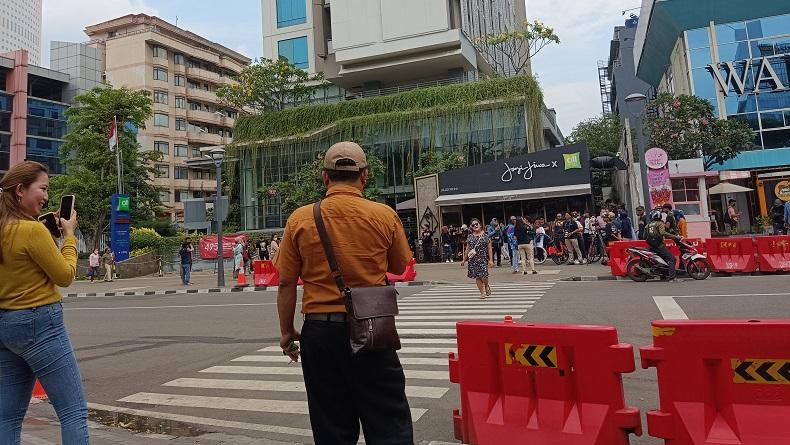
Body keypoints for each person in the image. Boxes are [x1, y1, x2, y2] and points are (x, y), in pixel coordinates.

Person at [275, 141, 414, 444]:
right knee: (389, 421)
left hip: (319, 334)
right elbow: (400, 265)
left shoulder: (300, 218)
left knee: (331, 426)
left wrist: (287, 332)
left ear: (325, 177)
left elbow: (286, 282)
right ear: (364, 175)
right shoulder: (384, 215)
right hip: (372, 329)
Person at [0, 160, 89, 444]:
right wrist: (70, 236)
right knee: (73, 412)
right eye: (43, 188)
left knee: (7, 417)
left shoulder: (8, 229)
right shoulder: (32, 231)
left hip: (6, 325)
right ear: (19, 191)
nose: (47, 196)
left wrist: (46, 233)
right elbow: (64, 275)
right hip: (41, 323)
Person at [645, 210, 682, 281]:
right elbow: (663, 233)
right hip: (660, 246)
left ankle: (663, 276)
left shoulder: (648, 225)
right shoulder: (660, 223)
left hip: (652, 246)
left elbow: (644, 236)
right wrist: (675, 236)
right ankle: (672, 278)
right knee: (672, 259)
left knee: (663, 260)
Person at [463, 218, 494, 299]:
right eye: (473, 225)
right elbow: (467, 249)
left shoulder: (485, 236)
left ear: (480, 225)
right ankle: (482, 293)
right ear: (471, 227)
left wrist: (491, 260)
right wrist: (464, 259)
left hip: (483, 259)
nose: (475, 226)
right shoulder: (470, 236)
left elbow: (489, 248)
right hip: (473, 260)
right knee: (477, 277)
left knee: (484, 276)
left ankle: (486, 285)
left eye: (476, 224)